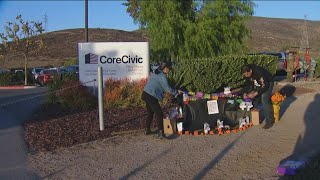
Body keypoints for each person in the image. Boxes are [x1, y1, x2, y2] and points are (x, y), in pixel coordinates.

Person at [141, 61, 183, 139]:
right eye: (168, 69)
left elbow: (153, 67)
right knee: (159, 113)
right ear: (165, 68)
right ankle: (161, 133)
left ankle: (147, 130)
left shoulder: (156, 71)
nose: (169, 71)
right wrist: (177, 91)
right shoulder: (162, 77)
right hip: (151, 95)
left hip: (145, 93)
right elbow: (167, 89)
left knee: (150, 112)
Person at [240, 64, 275, 129]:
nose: (246, 76)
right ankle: (254, 118)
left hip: (268, 82)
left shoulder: (259, 72)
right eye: (245, 75)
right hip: (259, 83)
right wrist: (245, 92)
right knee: (254, 99)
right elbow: (248, 84)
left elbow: (265, 86)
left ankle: (269, 121)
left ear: (250, 71)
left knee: (264, 98)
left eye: (247, 74)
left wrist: (255, 93)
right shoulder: (247, 73)